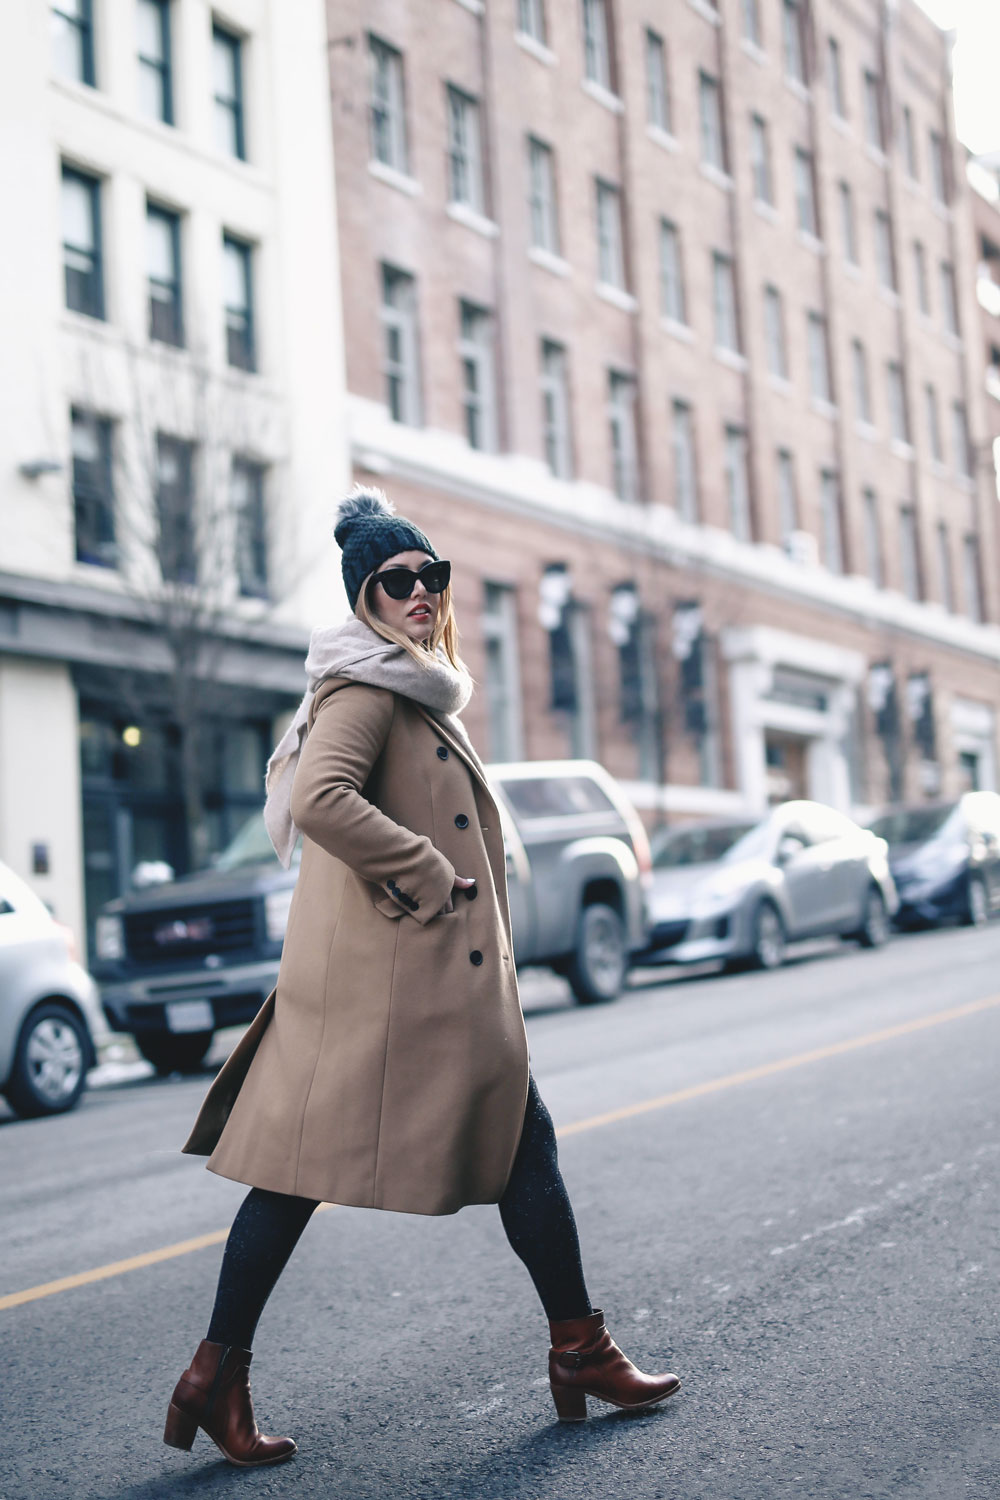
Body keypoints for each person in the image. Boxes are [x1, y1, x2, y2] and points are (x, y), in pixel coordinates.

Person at [163, 489, 680, 1467]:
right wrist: (425, 872)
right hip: (401, 990)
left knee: (506, 1145)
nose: (417, 591)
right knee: (304, 1175)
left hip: (411, 986)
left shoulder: (416, 683)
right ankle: (577, 1350)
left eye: (429, 576)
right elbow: (319, 797)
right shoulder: (364, 691)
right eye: (394, 580)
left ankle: (574, 1347)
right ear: (364, 597)